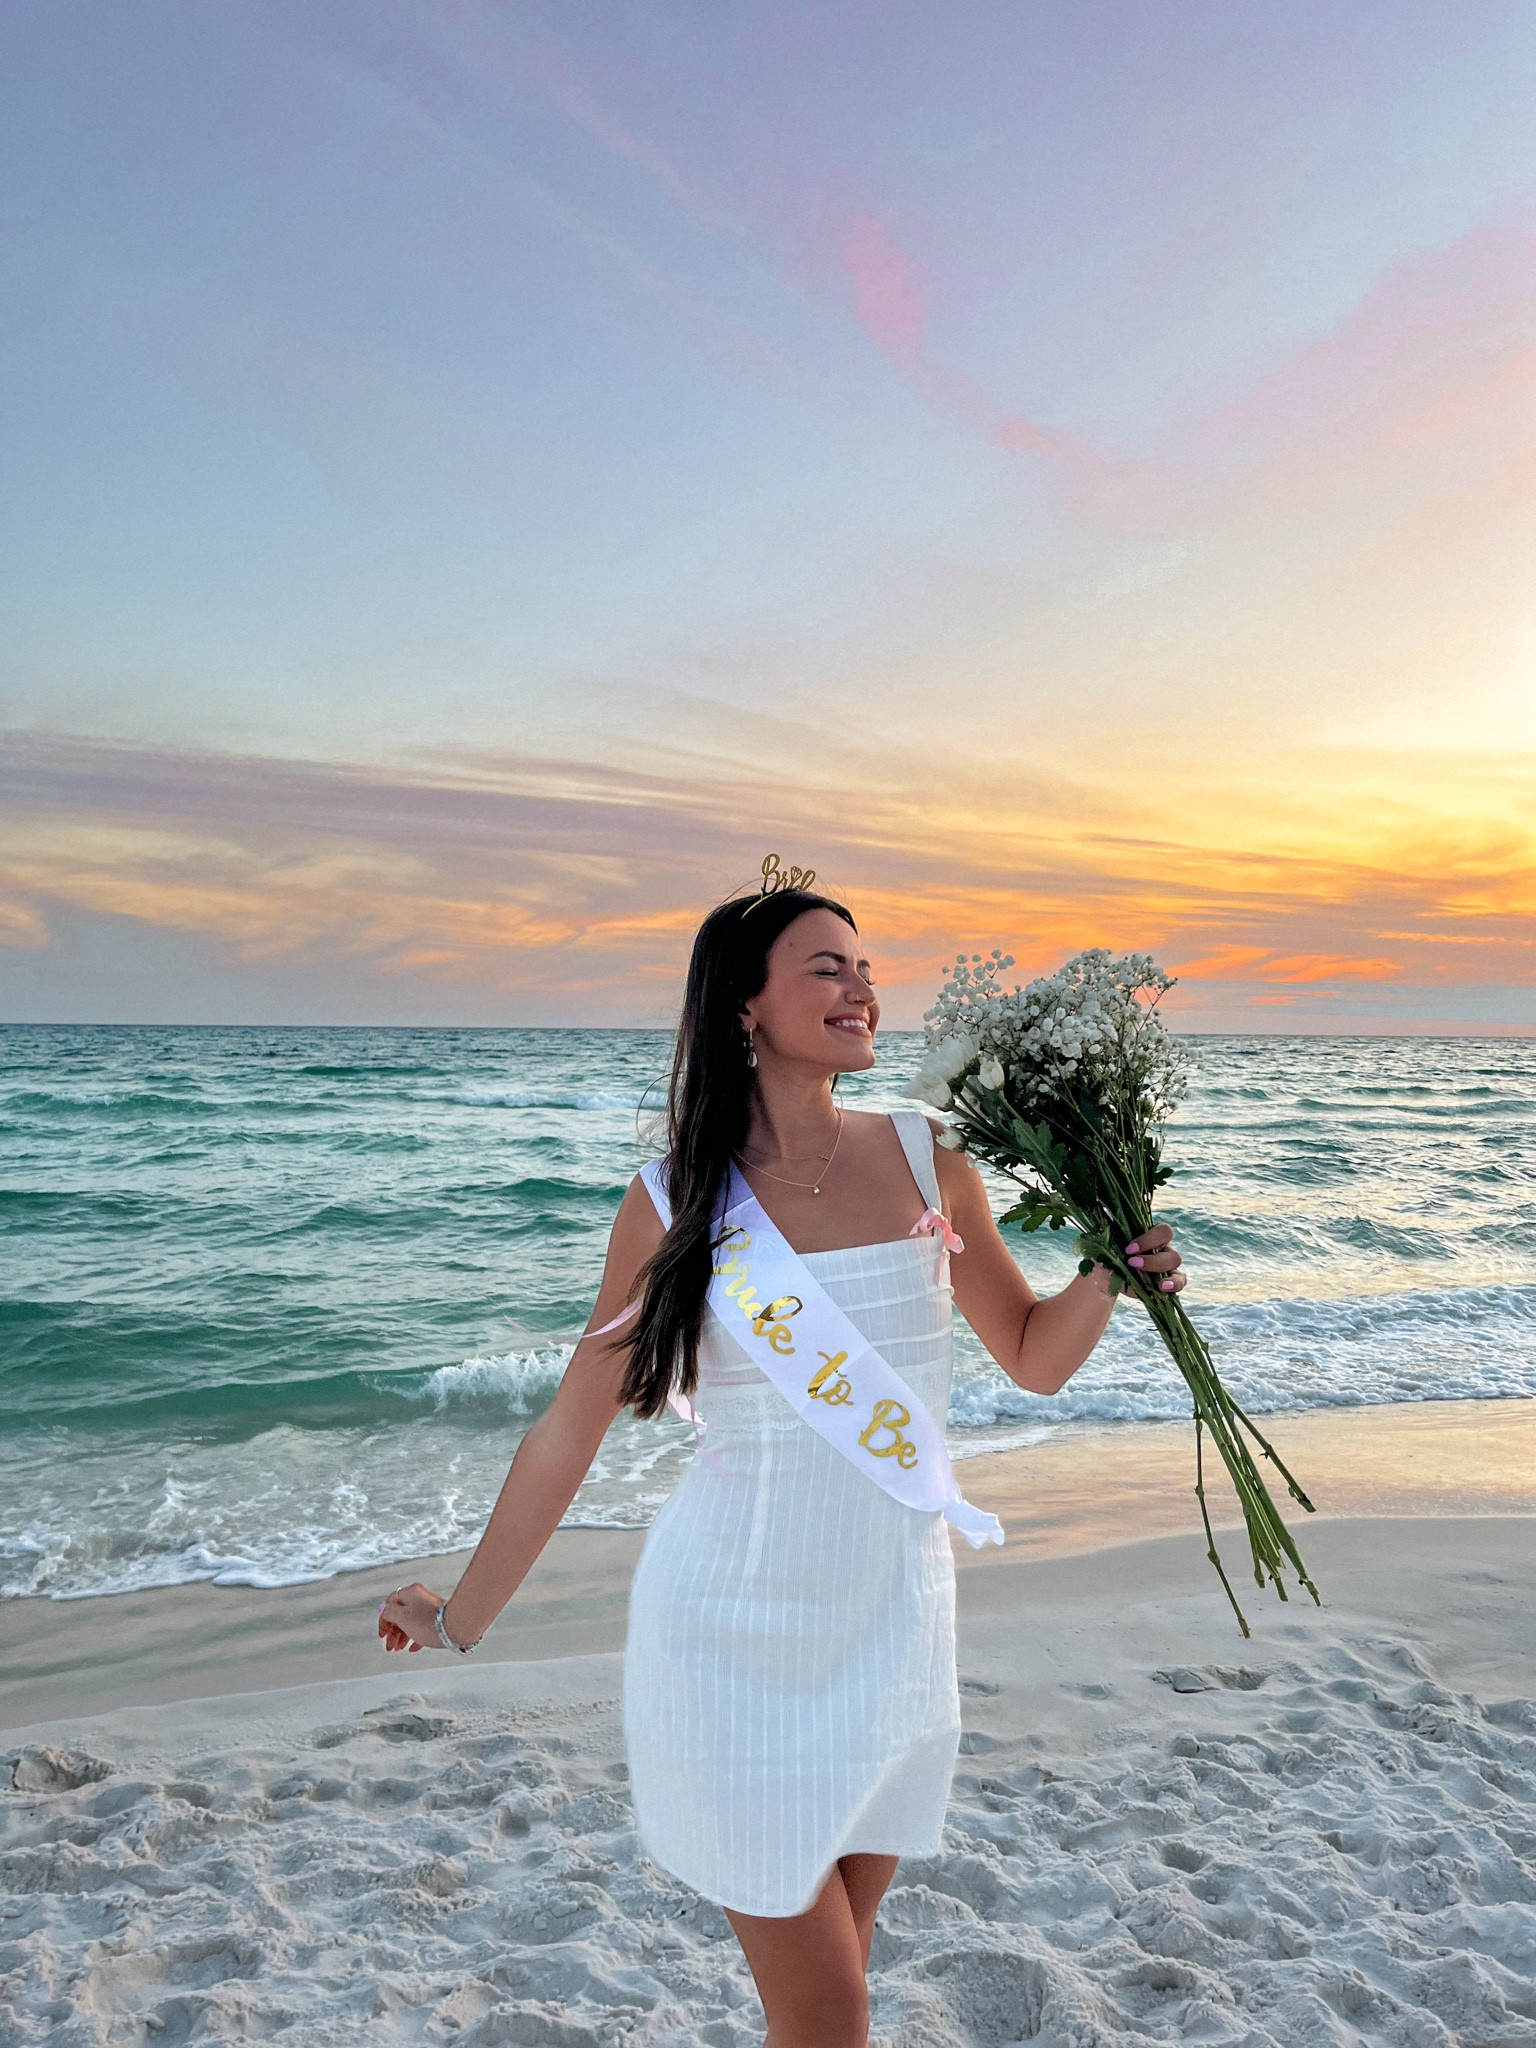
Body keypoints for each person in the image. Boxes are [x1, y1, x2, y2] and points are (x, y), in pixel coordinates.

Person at [378, 876, 1186, 2047]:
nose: (861, 989)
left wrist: (1110, 1270)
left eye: (863, 966)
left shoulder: (928, 1156)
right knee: (830, 2009)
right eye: (825, 966)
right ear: (744, 1007)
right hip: (732, 1638)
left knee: (826, 1994)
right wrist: (461, 1612)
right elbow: (570, 1425)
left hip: (892, 1627)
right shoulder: (672, 1205)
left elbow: (1029, 1353)